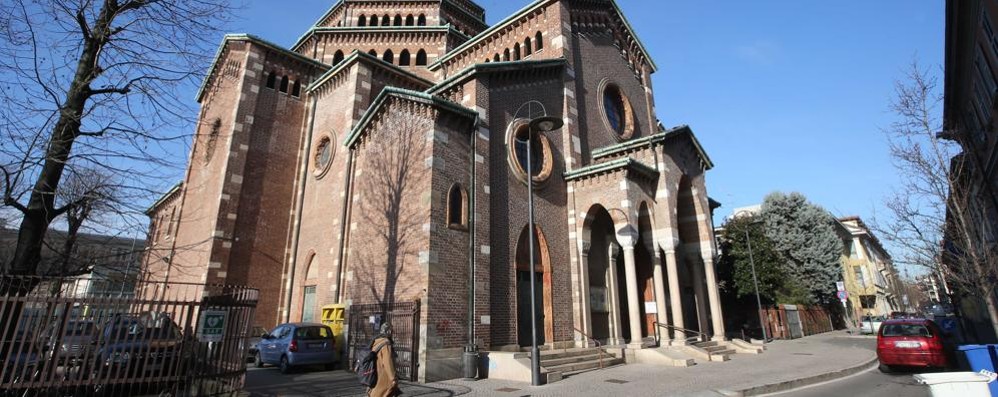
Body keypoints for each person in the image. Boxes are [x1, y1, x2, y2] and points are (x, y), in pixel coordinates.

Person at [369, 322, 400, 397]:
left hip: (376, 373)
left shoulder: (376, 341)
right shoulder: (386, 343)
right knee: (383, 393)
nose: (392, 333)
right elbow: (387, 362)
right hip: (384, 375)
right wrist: (393, 378)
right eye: (392, 331)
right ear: (388, 331)